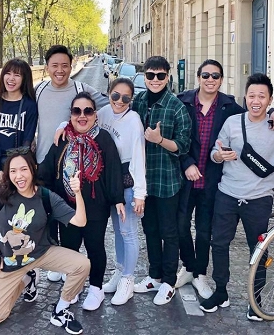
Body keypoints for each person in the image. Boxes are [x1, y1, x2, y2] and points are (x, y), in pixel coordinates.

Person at [175, 61, 274, 300]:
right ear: (198, 77)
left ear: (222, 80)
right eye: (206, 75)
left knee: (213, 234)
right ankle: (195, 271)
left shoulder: (230, 108)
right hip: (194, 179)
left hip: (219, 184)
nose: (210, 79)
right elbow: (180, 137)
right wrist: (202, 159)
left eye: (215, 75)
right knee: (185, 227)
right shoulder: (184, 102)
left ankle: (208, 277)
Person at [202, 73, 274, 319]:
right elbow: (215, 151)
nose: (256, 101)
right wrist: (219, 156)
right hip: (227, 194)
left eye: (262, 97)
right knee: (219, 243)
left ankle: (256, 299)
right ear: (245, 97)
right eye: (252, 96)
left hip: (258, 199)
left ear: (270, 99)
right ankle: (221, 291)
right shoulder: (233, 122)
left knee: (258, 249)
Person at [0, 152, 89, 335]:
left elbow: (80, 221)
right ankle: (27, 279)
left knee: (82, 265)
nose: (19, 176)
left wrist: (77, 193)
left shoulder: (46, 197)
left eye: (24, 169)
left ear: (33, 169)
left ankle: (61, 310)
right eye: (13, 171)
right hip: (10, 262)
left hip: (41, 253)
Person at [39, 92, 125, 311]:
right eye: (77, 111)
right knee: (70, 248)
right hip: (66, 207)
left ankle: (96, 288)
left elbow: (113, 169)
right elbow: (47, 168)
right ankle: (73, 287)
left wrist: (117, 199)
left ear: (95, 115)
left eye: (88, 111)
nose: (82, 116)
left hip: (96, 206)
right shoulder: (62, 138)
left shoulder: (104, 138)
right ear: (71, 115)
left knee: (95, 246)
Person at [35, 45, 107, 283]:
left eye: (65, 65)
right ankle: (55, 259)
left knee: (67, 217)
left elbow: (108, 105)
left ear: (71, 66)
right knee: (48, 218)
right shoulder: (38, 90)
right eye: (55, 65)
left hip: (71, 169)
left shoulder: (80, 88)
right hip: (44, 165)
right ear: (47, 67)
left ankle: (71, 265)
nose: (60, 70)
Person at [132, 55, 192, 305]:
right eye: (150, 75)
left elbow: (183, 145)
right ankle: (154, 275)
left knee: (169, 231)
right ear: (145, 76)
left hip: (166, 180)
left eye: (160, 75)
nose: (155, 80)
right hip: (143, 180)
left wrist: (159, 140)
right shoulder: (138, 101)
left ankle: (168, 281)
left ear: (167, 77)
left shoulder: (176, 106)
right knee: (150, 230)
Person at [98, 78, 146, 305]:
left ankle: (128, 278)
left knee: (128, 232)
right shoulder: (104, 113)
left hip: (127, 181)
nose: (119, 101)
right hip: (109, 181)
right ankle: (119, 271)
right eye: (115, 95)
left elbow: (138, 157)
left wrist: (139, 193)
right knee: (117, 231)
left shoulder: (134, 120)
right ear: (109, 93)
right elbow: (82, 121)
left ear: (131, 99)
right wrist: (61, 126)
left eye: (126, 97)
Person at [0, 58, 38, 184]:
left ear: (24, 79)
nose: (11, 79)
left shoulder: (29, 104)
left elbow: (27, 140)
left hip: (19, 164)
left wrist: (18, 169)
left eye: (17, 75)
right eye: (8, 73)